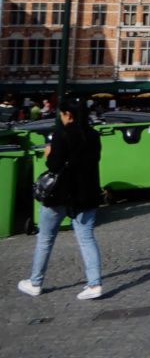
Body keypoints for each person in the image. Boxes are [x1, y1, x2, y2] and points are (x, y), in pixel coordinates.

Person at [18, 99, 103, 300]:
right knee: (86, 238)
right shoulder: (93, 135)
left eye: (61, 114)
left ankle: (35, 282)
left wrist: (49, 153)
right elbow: (94, 161)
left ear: (67, 114)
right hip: (86, 194)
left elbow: (55, 165)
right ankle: (94, 284)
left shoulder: (62, 134)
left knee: (45, 239)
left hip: (60, 194)